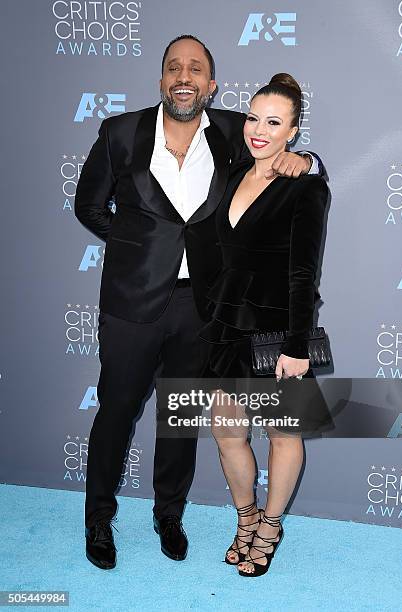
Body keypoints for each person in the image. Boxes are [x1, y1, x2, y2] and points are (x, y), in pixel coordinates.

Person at [75, 34, 322, 570]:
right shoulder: (120, 132)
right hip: (131, 304)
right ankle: (98, 519)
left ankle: (169, 515)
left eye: (196, 69)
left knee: (180, 420)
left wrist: (308, 158)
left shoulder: (235, 130)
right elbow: (88, 205)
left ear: (212, 84)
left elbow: (280, 142)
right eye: (173, 68)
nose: (184, 77)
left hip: (202, 309)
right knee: (116, 413)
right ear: (162, 78)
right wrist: (134, 246)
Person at [199, 73, 333, 577]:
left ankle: (271, 526)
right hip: (227, 327)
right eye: (253, 117)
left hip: (278, 333)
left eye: (274, 122)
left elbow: (304, 272)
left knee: (281, 435)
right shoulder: (235, 172)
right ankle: (246, 517)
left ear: (293, 133)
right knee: (227, 433)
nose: (258, 129)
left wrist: (297, 346)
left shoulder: (306, 187)